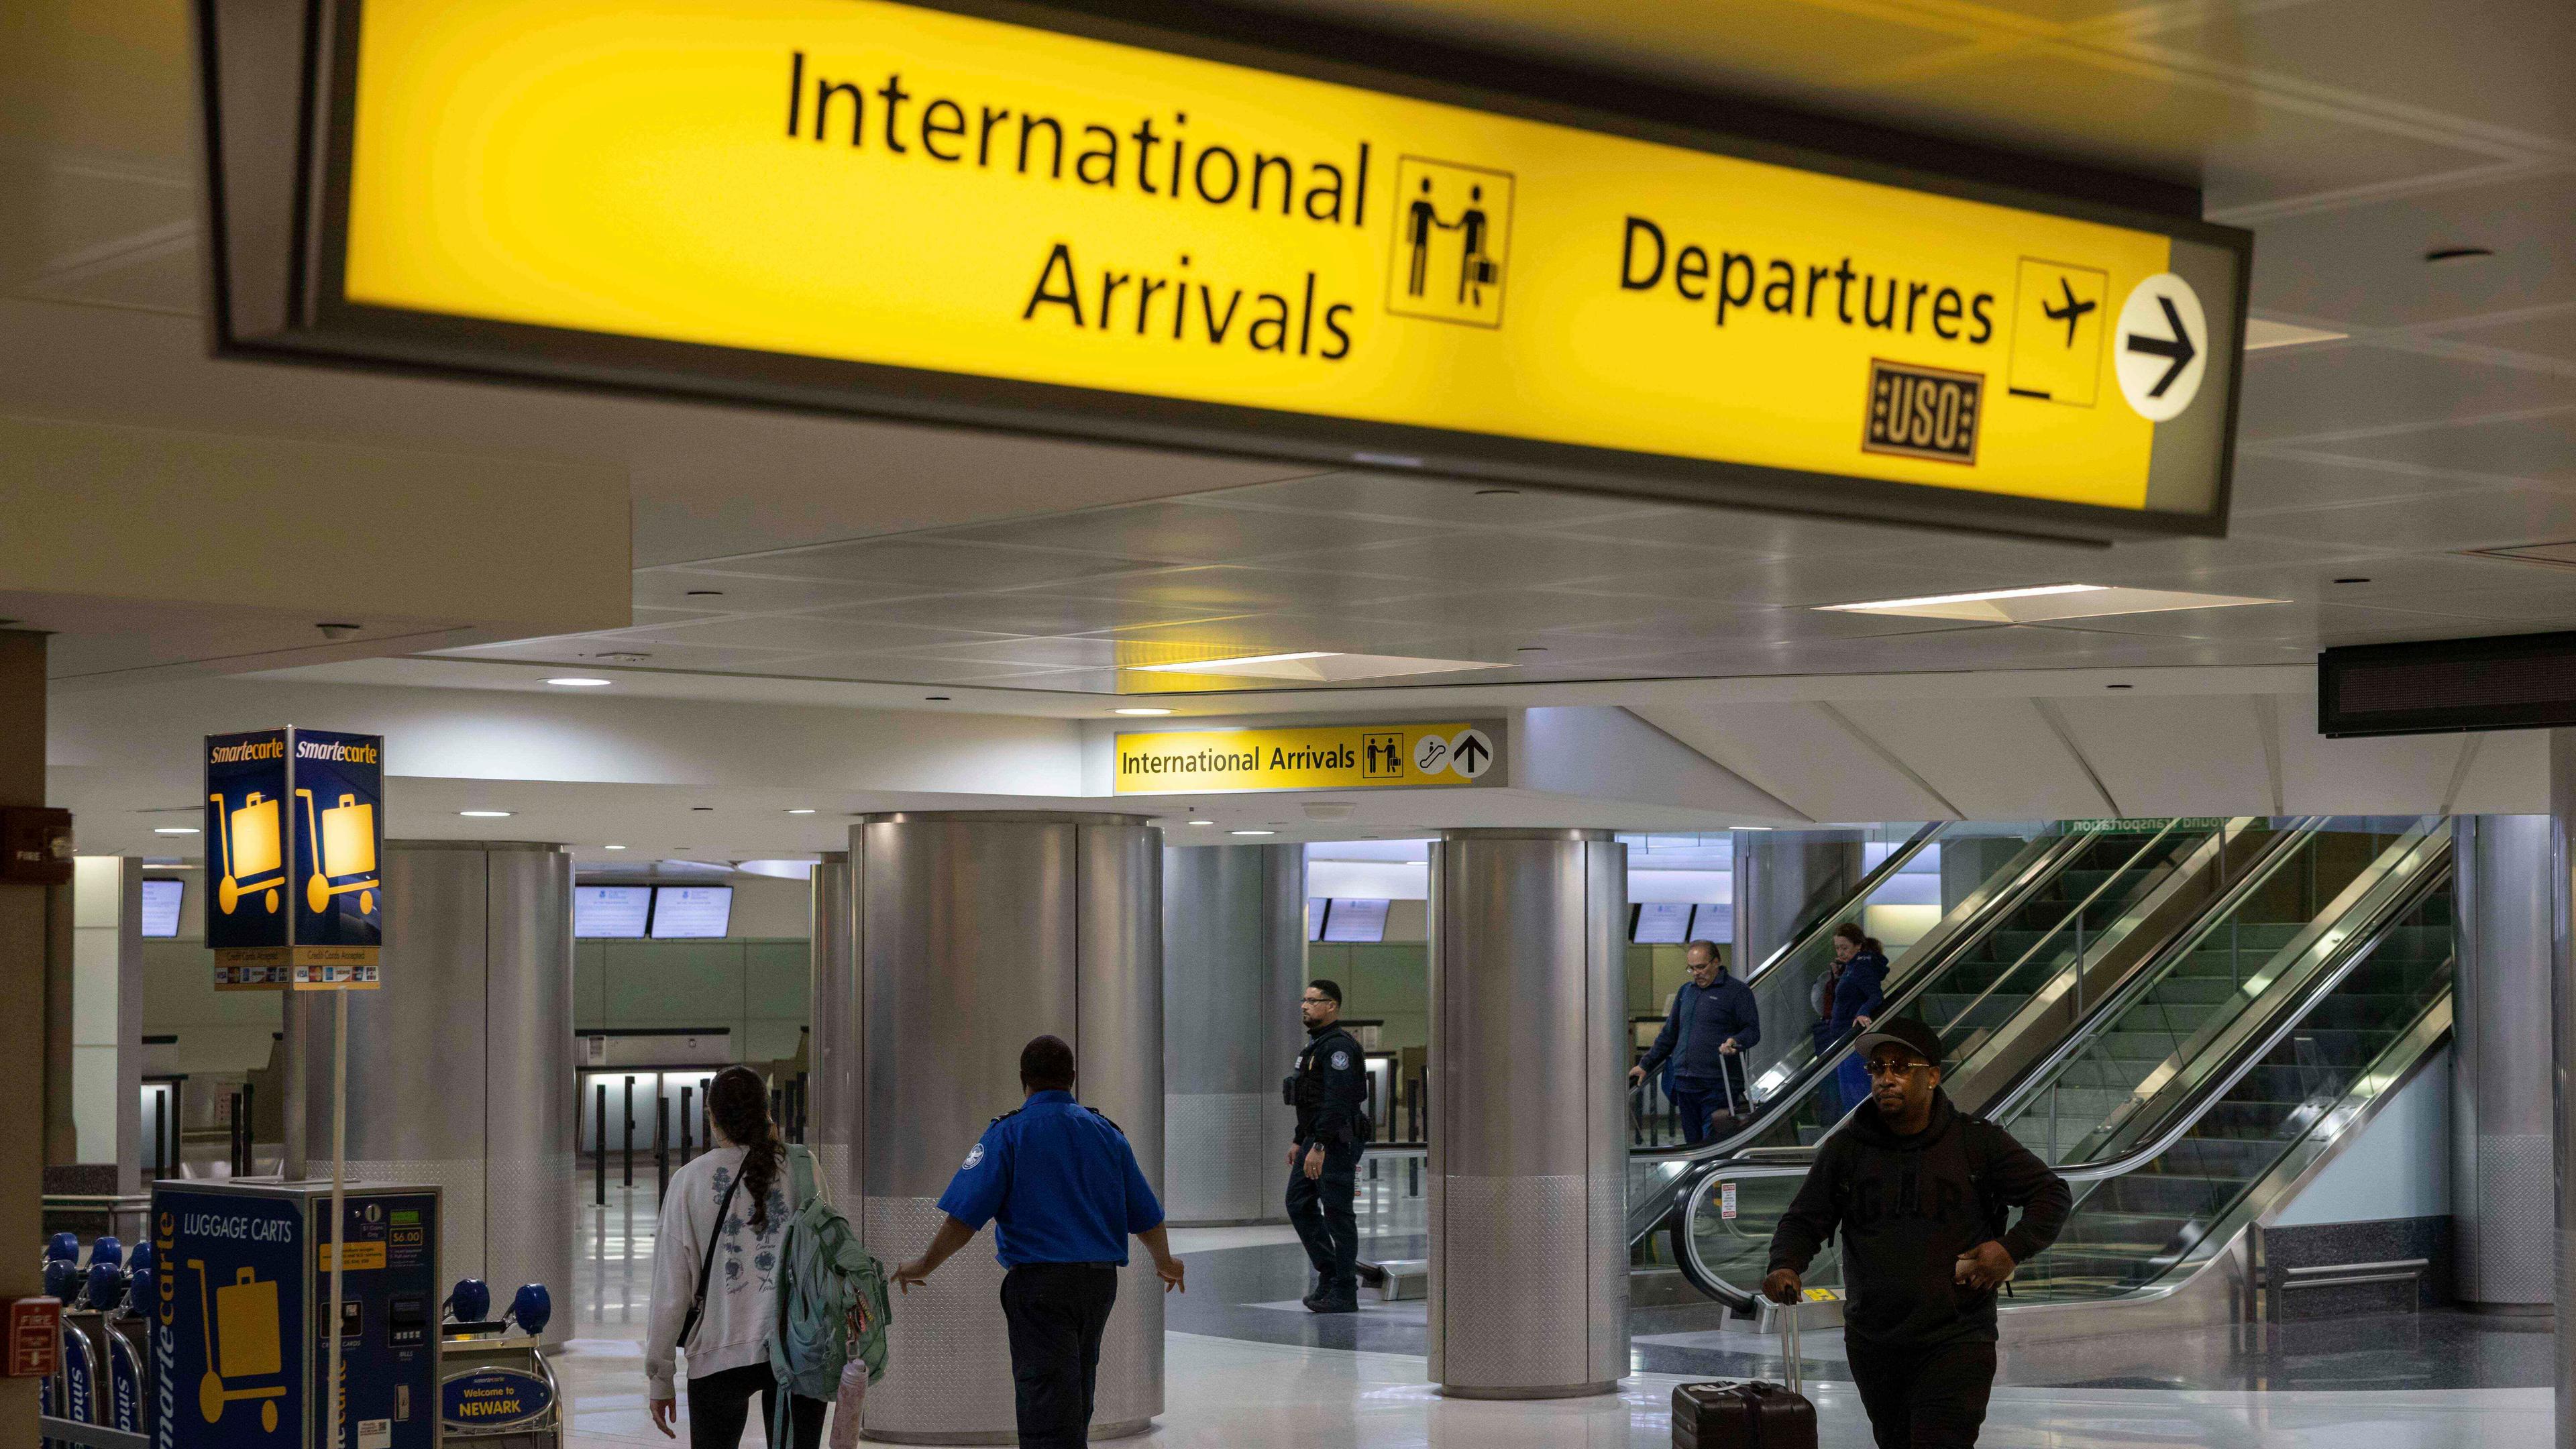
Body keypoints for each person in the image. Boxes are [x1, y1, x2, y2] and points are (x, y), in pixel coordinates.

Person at [1762, 1019, 2070, 1449]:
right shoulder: (1846, 1149)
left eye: (1901, 1067)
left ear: (1932, 1076)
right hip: (1874, 1341)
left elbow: (2051, 1194)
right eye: (1877, 1068)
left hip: (1958, 1336)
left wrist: (2011, 1248)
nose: (1886, 1078)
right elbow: (1805, 1219)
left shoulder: (1976, 1143)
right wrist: (1785, 1264)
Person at [892, 1036, 1184, 1449]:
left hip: (1039, 1287)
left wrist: (923, 1264)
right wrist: (1166, 1262)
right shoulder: (1107, 1134)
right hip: (1098, 1287)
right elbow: (1147, 1216)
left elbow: (964, 1219)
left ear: (1023, 1080)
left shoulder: (1008, 1134)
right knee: (1078, 1392)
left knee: (1045, 1398)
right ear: (1073, 1079)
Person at [646, 1066, 828, 1448]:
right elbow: (826, 1257)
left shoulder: (688, 1181)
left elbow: (672, 1291)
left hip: (718, 1350)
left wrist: (661, 1377)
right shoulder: (802, 1166)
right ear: (767, 1112)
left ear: (713, 1119)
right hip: (798, 1346)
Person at [1285, 979, 1369, 1313]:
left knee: (1338, 1215)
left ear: (1331, 1006)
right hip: (1314, 1138)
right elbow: (1310, 1099)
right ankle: (1330, 1273)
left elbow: (1337, 1102)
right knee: (1298, 1204)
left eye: (1312, 1001)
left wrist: (1318, 1144)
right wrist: (1299, 1139)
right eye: (1303, 1000)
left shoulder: (1338, 1049)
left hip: (1336, 1141)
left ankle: (1345, 1291)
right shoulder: (1315, 1046)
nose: (1305, 1006)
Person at [1628, 940, 1759, 1145]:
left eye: (1701, 967)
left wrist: (1736, 1041)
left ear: (1716, 962)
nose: (1697, 973)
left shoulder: (1737, 992)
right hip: (1686, 1084)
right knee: (1692, 1144)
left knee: (1712, 1144)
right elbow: (1669, 1034)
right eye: (1692, 968)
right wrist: (1646, 1064)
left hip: (1718, 1085)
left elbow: (1752, 1031)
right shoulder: (1686, 992)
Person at [1821, 923, 1890, 1117]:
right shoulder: (1852, 967)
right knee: (1848, 1090)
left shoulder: (1861, 967)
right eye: (1837, 948)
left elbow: (1875, 995)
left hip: (1851, 1038)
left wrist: (1863, 1012)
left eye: (1845, 948)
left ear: (1858, 946)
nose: (1840, 952)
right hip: (1843, 1038)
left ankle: (1861, 1126)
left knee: (1854, 1090)